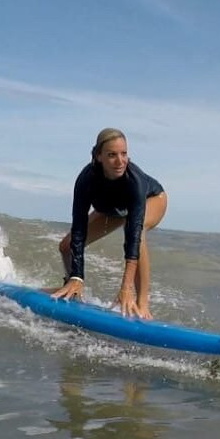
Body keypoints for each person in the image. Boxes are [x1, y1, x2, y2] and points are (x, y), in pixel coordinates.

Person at [52, 128, 168, 319]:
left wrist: (126, 288)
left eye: (124, 154)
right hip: (114, 209)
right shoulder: (86, 179)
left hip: (152, 199)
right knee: (65, 247)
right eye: (112, 155)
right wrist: (76, 276)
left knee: (138, 238)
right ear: (99, 156)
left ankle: (142, 304)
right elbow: (79, 228)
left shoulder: (135, 181)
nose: (120, 161)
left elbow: (133, 235)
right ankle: (71, 287)